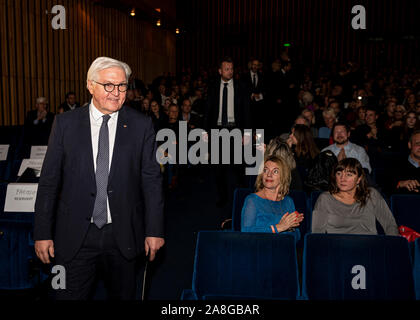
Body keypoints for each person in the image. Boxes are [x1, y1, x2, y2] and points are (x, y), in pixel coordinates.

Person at [34, 57, 165, 300]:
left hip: (123, 235)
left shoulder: (141, 125)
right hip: (74, 237)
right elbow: (49, 182)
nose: (116, 93)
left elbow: (151, 181)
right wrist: (42, 232)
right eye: (108, 85)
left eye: (122, 86)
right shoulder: (65, 124)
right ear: (90, 85)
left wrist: (154, 229)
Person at [204, 56, 250, 209]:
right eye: (226, 69)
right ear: (220, 71)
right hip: (217, 130)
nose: (230, 71)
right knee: (219, 169)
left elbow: (246, 111)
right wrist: (206, 131)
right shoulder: (212, 86)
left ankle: (243, 197)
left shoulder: (241, 86)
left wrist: (247, 133)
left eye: (231, 68)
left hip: (235, 130)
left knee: (238, 167)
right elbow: (208, 110)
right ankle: (223, 197)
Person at [311, 158, 399, 235]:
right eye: (339, 173)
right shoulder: (325, 199)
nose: (342, 178)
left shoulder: (371, 195)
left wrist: (391, 247)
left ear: (359, 179)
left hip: (368, 248)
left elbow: (390, 224)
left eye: (349, 174)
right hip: (337, 249)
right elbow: (317, 233)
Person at [241, 156, 304, 239]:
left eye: (275, 171)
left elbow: (296, 237)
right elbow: (245, 232)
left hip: (282, 249)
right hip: (260, 249)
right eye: (265, 170)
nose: (269, 175)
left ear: (283, 176)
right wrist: (278, 228)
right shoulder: (252, 200)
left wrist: (290, 228)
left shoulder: (288, 202)